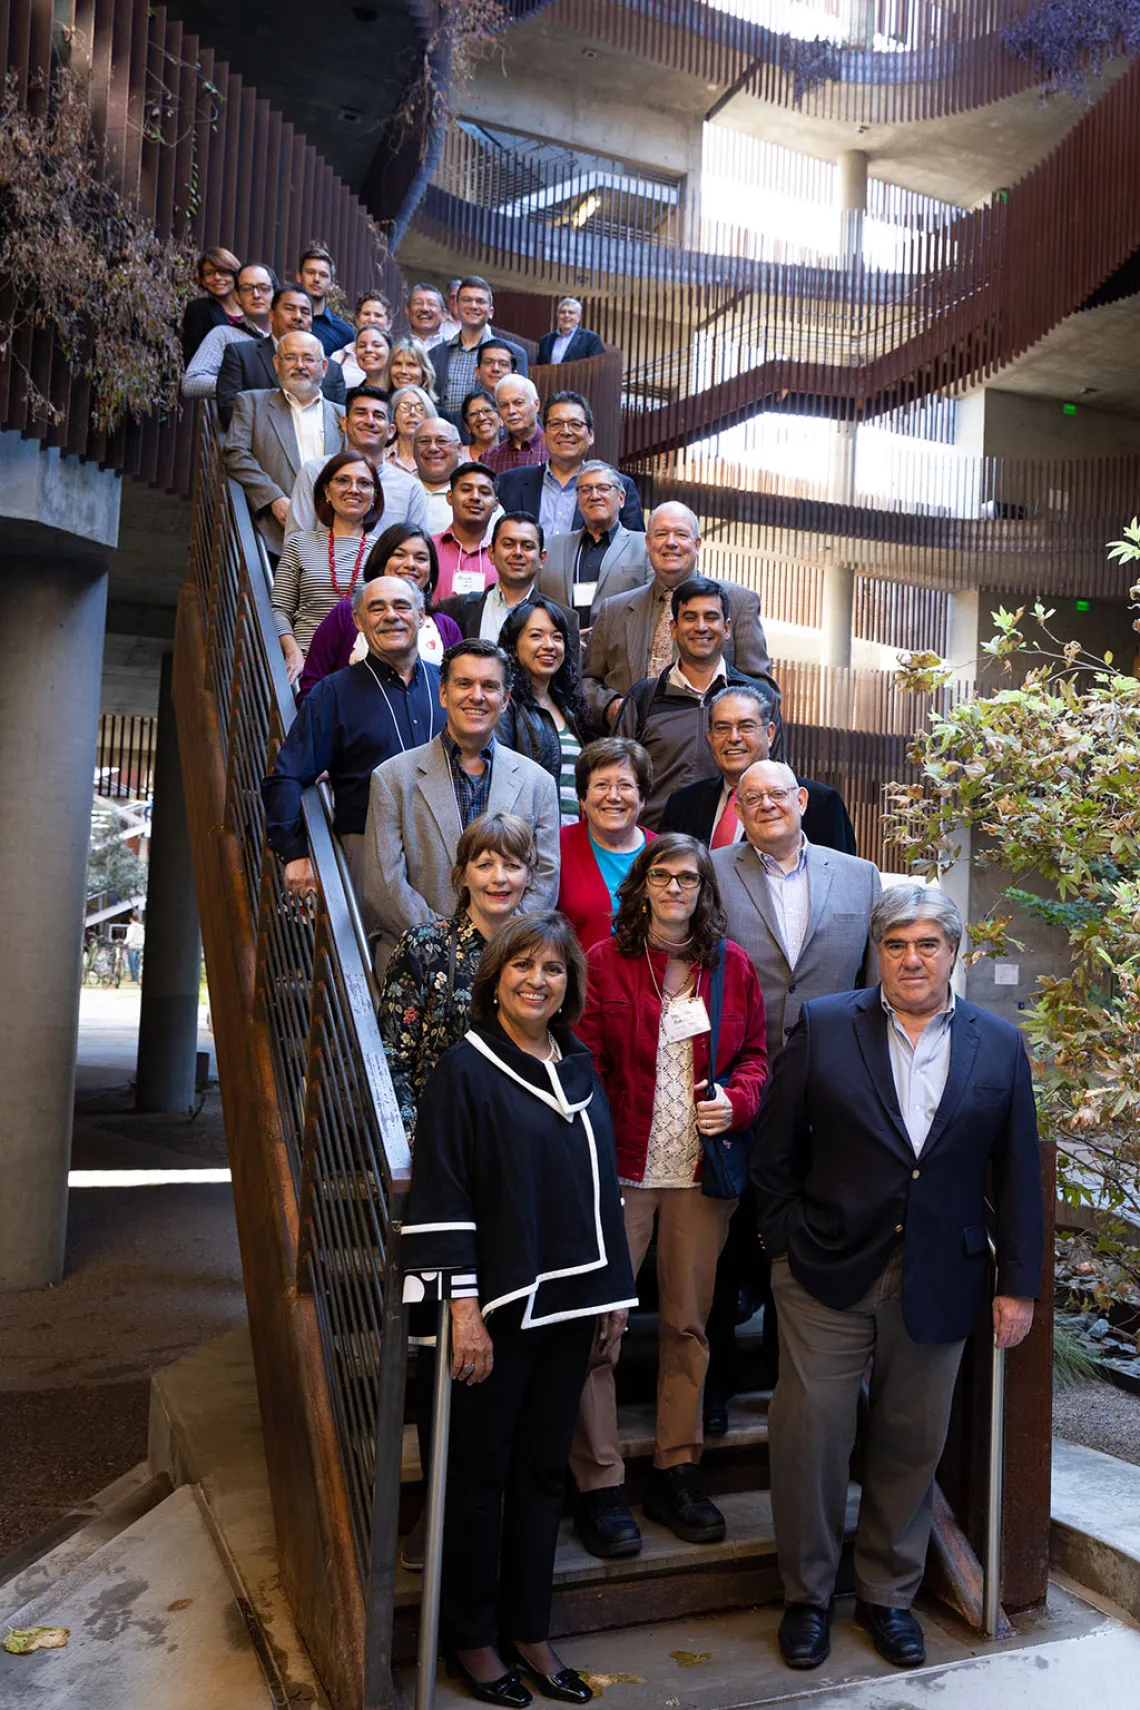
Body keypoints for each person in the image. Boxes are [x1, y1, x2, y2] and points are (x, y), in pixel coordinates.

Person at [753, 885, 1043, 1673]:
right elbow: (772, 1154)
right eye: (896, 944)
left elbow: (1018, 1174)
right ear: (876, 950)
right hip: (824, 1272)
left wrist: (1017, 1283)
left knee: (913, 1445)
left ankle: (887, 1596)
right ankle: (808, 1597)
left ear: (955, 952)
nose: (911, 959)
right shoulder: (823, 1026)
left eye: (927, 944)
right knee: (812, 1439)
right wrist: (783, 1244)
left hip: (940, 1277)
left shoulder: (999, 1045)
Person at [402, 911, 636, 1707]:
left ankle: (529, 1628)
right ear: (495, 975)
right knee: (476, 1477)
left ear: (569, 985)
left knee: (542, 1474)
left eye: (554, 970)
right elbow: (443, 1196)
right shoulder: (463, 1071)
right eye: (523, 966)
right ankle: (470, 1637)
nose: (538, 981)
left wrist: (614, 1294)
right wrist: (462, 1310)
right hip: (493, 1315)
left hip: (572, 1309)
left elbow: (600, 1188)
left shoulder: (578, 1067)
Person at [570, 835, 768, 1559]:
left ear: (703, 889)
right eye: (664, 875)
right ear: (643, 883)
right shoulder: (602, 962)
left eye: (689, 877)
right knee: (600, 1329)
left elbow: (754, 1058)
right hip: (619, 1172)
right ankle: (599, 1483)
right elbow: (579, 1062)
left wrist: (737, 1103)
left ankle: (676, 1471)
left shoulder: (731, 967)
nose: (677, 887)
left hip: (698, 1175)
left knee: (687, 1327)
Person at [702, 752, 874, 1431]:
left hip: (826, 1087)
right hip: (735, 1080)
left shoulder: (859, 877)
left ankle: (786, 1383)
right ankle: (712, 1388)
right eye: (752, 799)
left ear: (802, 800)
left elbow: (868, 981)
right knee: (724, 1236)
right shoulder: (712, 873)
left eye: (778, 794)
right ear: (738, 811)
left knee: (802, 1234)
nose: (767, 805)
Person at [361, 639, 560, 973]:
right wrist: (451, 944)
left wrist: (495, 943)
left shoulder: (538, 782)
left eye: (490, 686)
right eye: (464, 683)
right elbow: (385, 884)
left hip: (505, 967)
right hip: (417, 969)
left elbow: (545, 878)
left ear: (506, 699)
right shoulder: (392, 778)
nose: (477, 696)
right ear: (443, 694)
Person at [263, 575, 444, 900]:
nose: (391, 615)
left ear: (420, 616)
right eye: (377, 608)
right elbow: (287, 775)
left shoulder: (450, 687)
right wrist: (295, 852)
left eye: (402, 606)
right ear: (359, 620)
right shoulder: (332, 693)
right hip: (369, 849)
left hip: (447, 850)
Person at [378, 812, 538, 1139]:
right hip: (442, 1139)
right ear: (462, 875)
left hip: (521, 1139)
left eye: (512, 866)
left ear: (529, 876)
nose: (500, 878)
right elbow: (392, 1061)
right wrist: (414, 1145)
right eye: (485, 865)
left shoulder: (541, 953)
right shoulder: (424, 946)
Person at [583, 503, 777, 733]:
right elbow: (587, 683)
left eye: (681, 534)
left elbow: (762, 690)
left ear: (697, 545)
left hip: (707, 753)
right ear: (648, 544)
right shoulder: (613, 610)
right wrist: (609, 707)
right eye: (661, 534)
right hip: (628, 752)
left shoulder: (738, 602)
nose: (671, 542)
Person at [614, 576, 774, 828]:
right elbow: (618, 776)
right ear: (673, 628)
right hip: (657, 847)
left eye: (711, 617)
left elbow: (776, 776)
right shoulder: (644, 697)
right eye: (690, 618)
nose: (701, 627)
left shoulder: (756, 698)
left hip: (735, 848)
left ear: (728, 628)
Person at [659, 684, 856, 855]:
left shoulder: (820, 804)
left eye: (746, 726)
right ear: (710, 738)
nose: (734, 737)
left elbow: (837, 883)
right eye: (722, 728)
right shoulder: (682, 805)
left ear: (769, 734)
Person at [298, 526, 463, 696]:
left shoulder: (446, 626)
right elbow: (313, 686)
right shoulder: (346, 614)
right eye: (399, 555)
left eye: (421, 558)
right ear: (381, 562)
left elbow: (461, 687)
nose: (410, 564)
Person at [224, 333, 343, 557]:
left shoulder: (342, 417)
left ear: (324, 367)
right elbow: (236, 454)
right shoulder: (252, 403)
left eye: (308, 358)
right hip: (272, 533)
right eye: (290, 358)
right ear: (277, 364)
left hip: (330, 541)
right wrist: (272, 497)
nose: (299, 365)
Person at [270, 452, 384, 681]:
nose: (353, 489)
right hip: (305, 664)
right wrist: (293, 654)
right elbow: (279, 609)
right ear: (326, 491)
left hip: (364, 669)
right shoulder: (299, 544)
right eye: (343, 480)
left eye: (364, 483)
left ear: (374, 496)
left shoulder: (385, 552)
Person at [285, 386, 428, 539]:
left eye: (378, 416)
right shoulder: (315, 472)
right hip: (322, 562)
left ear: (391, 431)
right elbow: (295, 543)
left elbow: (417, 549)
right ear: (344, 423)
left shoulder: (410, 488)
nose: (369, 421)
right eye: (361, 413)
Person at [497, 394, 643, 539]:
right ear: (544, 435)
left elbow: (635, 550)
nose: (566, 431)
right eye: (556, 424)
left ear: (590, 435)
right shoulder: (509, 484)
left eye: (575, 424)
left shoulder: (621, 486)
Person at [557, 738, 656, 953]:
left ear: (643, 798)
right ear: (582, 798)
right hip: (577, 982)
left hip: (649, 983)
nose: (613, 796)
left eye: (625, 785)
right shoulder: (556, 847)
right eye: (602, 785)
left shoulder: (663, 853)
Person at [496, 596, 590, 823]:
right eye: (536, 635)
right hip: (527, 840)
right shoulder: (504, 706)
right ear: (514, 648)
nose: (549, 645)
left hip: (572, 841)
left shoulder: (569, 707)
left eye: (557, 637)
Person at [440, 514, 577, 654]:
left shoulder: (565, 619)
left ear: (542, 558)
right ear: (491, 553)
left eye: (527, 546)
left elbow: (570, 675)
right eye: (508, 544)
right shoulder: (453, 609)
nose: (517, 552)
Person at [537, 462, 649, 628]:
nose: (594, 495)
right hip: (563, 648)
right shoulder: (552, 547)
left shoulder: (645, 547)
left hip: (621, 649)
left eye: (603, 488)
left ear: (621, 498)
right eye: (586, 489)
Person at [216, 285, 346, 428]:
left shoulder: (332, 369)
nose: (298, 317)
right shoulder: (241, 355)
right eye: (289, 309)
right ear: (271, 315)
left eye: (305, 312)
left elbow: (339, 422)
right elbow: (229, 412)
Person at [431, 276, 529, 419]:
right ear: (457, 307)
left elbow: (521, 405)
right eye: (467, 300)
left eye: (480, 301)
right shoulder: (435, 355)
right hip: (447, 438)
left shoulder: (515, 354)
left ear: (491, 312)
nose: (473, 306)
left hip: (497, 438)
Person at [180, 260, 275, 400]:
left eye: (264, 288)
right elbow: (191, 382)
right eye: (247, 288)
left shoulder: (292, 337)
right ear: (237, 296)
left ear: (275, 293)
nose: (256, 295)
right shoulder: (224, 335)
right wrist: (238, 385)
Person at [432, 462, 501, 601]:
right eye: (466, 489)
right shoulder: (428, 548)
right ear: (450, 497)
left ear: (496, 504)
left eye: (484, 492)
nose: (475, 497)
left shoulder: (504, 555)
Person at [181, 246, 244, 362]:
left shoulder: (252, 311)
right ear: (203, 280)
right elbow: (192, 358)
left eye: (224, 272)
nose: (217, 278)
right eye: (209, 273)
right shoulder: (198, 310)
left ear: (235, 275)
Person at [296, 243, 354, 355]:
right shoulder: (283, 320)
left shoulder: (343, 332)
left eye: (323, 275)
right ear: (299, 276)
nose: (316, 279)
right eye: (310, 272)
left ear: (332, 284)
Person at [482, 376, 545, 475]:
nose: (511, 411)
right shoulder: (489, 458)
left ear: (536, 405)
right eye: (504, 405)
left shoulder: (556, 451)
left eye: (518, 403)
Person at [414, 418, 465, 535]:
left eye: (441, 441)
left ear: (459, 449)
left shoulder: (476, 494)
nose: (432, 448)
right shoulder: (400, 488)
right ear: (413, 449)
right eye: (424, 441)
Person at [331, 294, 394, 386]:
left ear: (389, 323)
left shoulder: (397, 358)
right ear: (356, 319)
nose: (372, 320)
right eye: (366, 314)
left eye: (378, 315)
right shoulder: (339, 357)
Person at [537, 297, 605, 365]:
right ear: (557, 316)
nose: (566, 315)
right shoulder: (545, 340)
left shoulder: (591, 339)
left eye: (571, 312)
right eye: (562, 312)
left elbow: (596, 367)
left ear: (579, 317)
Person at [389, 385, 438, 475]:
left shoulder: (441, 459)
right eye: (405, 407)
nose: (412, 412)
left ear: (429, 417)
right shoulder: (381, 458)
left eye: (420, 408)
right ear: (394, 416)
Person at [332, 323, 390, 392]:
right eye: (362, 346)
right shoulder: (350, 396)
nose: (368, 349)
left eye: (376, 345)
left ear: (391, 351)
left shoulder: (401, 393)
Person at [384, 335, 440, 402]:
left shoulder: (436, 412)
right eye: (397, 364)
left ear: (424, 373)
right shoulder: (379, 408)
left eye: (411, 365)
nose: (403, 371)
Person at [404, 281, 449, 352]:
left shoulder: (454, 354)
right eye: (418, 303)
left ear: (444, 314)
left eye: (432, 304)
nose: (424, 309)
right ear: (407, 311)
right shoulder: (394, 351)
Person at [462, 390, 503, 463]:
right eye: (473, 414)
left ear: (501, 419)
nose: (481, 418)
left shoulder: (515, 456)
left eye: (487, 410)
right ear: (467, 426)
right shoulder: (458, 457)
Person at [124, 912, 146, 983]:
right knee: (137, 963)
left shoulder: (131, 927)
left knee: (132, 963)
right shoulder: (142, 927)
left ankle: (134, 978)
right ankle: (137, 977)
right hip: (140, 946)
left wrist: (124, 943)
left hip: (132, 946)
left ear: (131, 919)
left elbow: (129, 937)